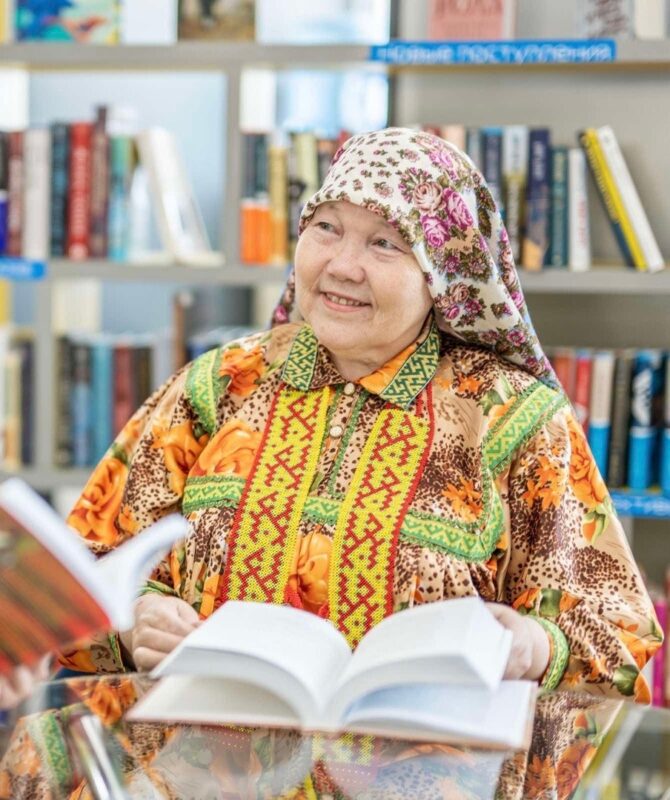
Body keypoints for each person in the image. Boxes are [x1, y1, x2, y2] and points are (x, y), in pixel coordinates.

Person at [61, 127, 661, 700]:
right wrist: (136, 619)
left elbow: (619, 639)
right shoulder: (219, 386)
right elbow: (69, 587)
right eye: (326, 227)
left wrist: (532, 647)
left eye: (385, 243)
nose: (343, 266)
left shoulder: (515, 419)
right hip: (208, 751)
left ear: (441, 275)